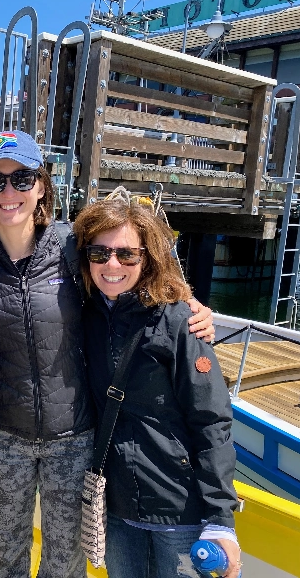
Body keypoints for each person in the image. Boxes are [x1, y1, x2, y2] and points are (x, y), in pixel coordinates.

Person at [0, 130, 215, 578]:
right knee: (7, 550)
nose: (8, 192)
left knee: (64, 557)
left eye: (22, 178)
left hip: (74, 435)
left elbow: (133, 271)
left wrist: (188, 302)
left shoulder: (72, 245)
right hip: (4, 431)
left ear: (42, 186)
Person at [73, 196, 240, 578]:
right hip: (116, 506)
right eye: (99, 253)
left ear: (147, 258)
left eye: (127, 254)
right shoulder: (84, 313)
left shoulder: (181, 321)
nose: (112, 265)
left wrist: (220, 520)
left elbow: (212, 421)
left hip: (178, 509)